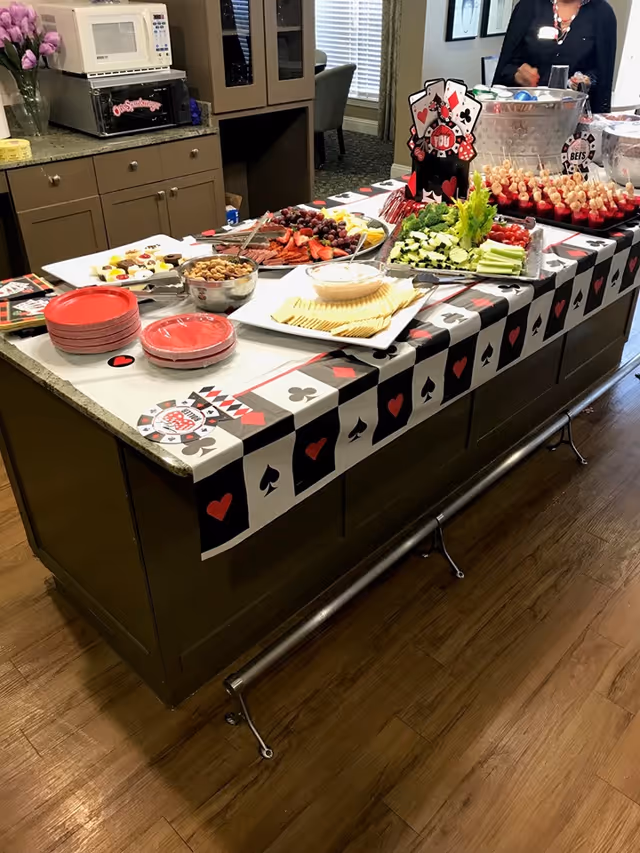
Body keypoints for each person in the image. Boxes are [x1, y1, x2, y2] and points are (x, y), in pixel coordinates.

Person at [493, 0, 617, 113]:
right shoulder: (528, 6)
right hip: (524, 114)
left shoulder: (602, 13)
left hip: (574, 118)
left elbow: (603, 75)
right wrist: (517, 74)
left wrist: (587, 80)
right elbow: (505, 67)